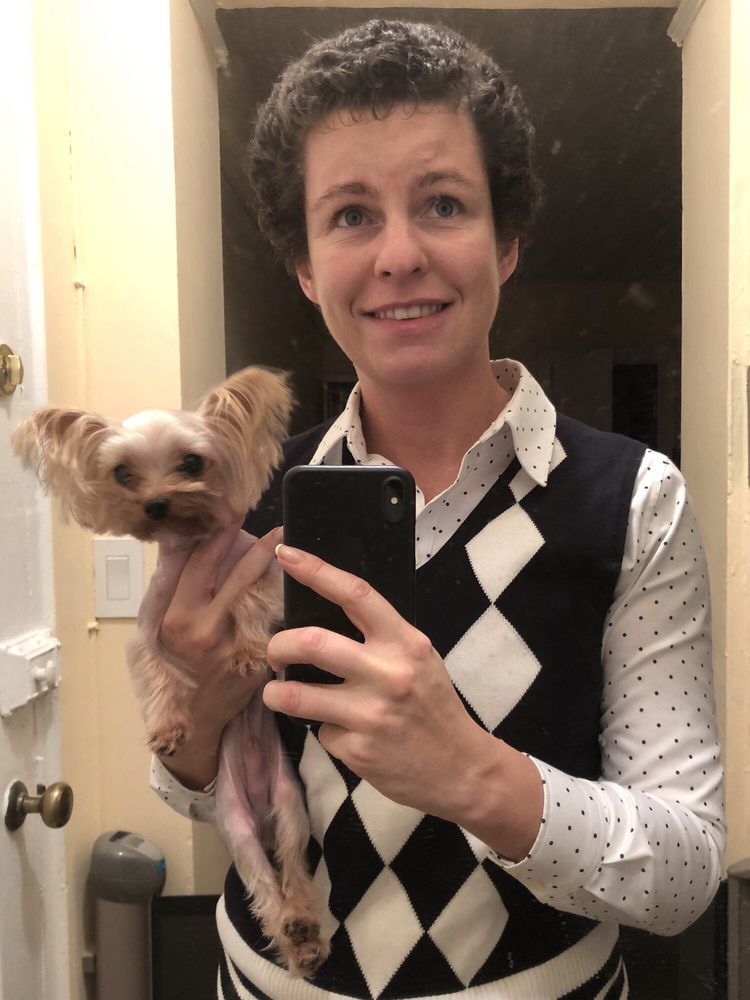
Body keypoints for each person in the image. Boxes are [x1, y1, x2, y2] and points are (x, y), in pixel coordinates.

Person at [150, 19, 725, 1000]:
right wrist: (194, 725)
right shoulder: (241, 506)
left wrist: (471, 772)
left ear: (506, 243)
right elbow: (190, 786)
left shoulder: (637, 500)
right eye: (350, 216)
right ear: (303, 266)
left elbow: (687, 869)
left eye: (443, 203)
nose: (400, 254)